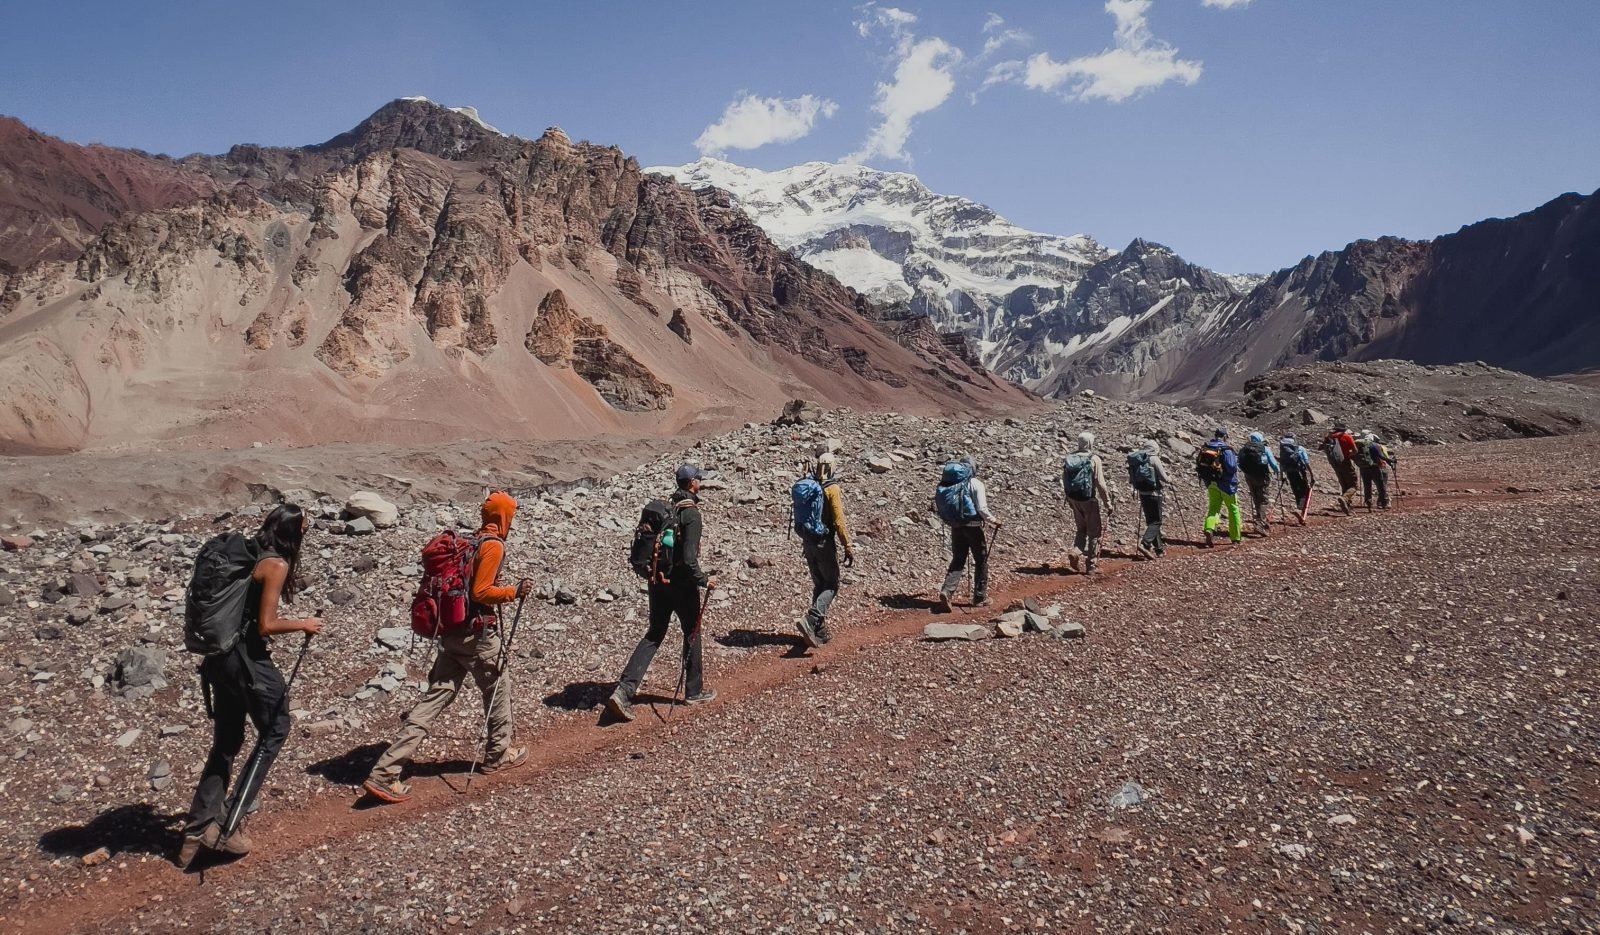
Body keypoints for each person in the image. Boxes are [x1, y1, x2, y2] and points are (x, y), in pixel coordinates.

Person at [363, 492, 531, 803]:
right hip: (477, 636)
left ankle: (384, 772)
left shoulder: (470, 542)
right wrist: (513, 591)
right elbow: (481, 592)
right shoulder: (492, 546)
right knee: (497, 688)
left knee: (436, 697)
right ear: (504, 517)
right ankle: (498, 753)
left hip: (451, 634)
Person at [179, 504, 322, 868]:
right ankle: (225, 826)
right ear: (294, 533)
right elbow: (266, 625)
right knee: (275, 729)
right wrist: (304, 623)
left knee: (227, 742)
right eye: (304, 528)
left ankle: (197, 826)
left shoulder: (246, 554)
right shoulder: (275, 564)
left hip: (217, 659)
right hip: (245, 660)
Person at [606, 464, 718, 721]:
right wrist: (704, 580)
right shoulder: (691, 515)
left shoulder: (667, 509)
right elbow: (689, 560)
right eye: (698, 478)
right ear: (692, 484)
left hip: (657, 581)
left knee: (655, 632)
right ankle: (693, 691)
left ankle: (624, 690)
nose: (701, 481)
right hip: (681, 585)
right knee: (691, 631)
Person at [794, 452, 855, 648]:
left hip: (807, 541)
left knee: (819, 583)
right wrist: (848, 545)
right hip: (824, 543)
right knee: (831, 584)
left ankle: (817, 629)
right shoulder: (832, 489)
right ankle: (812, 620)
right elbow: (838, 520)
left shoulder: (811, 485)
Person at [932, 454, 1000, 610]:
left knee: (958, 559)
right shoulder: (976, 484)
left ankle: (947, 591)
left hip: (956, 525)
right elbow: (982, 509)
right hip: (973, 527)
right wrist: (994, 521)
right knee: (981, 560)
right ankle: (979, 597)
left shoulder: (950, 482)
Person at [1061, 431, 1116, 573]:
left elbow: (1064, 479)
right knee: (1094, 532)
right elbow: (1101, 484)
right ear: (1091, 443)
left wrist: (1069, 499)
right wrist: (1108, 503)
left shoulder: (1070, 458)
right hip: (1089, 500)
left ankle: (1076, 550)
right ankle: (1091, 565)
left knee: (1081, 529)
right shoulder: (1094, 459)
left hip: (1073, 499)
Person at [1196, 427, 1242, 547]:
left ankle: (1209, 528)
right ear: (1225, 436)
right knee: (1233, 509)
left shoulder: (1207, 447)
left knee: (1213, 507)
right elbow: (1232, 468)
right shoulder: (1226, 449)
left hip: (1210, 483)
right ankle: (1236, 537)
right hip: (1226, 485)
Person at [1126, 439, 1169, 559]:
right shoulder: (1154, 458)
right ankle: (1145, 543)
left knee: (1151, 522)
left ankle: (1159, 550)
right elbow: (1164, 477)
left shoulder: (1137, 459)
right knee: (1157, 522)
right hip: (1154, 493)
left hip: (1142, 493)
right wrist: (1170, 479)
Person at [1237, 431, 1281, 536]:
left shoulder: (1244, 449)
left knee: (1256, 498)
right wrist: (1278, 472)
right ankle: (1259, 523)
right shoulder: (1264, 448)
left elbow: (1239, 462)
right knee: (1264, 500)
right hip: (1262, 476)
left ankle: (1260, 519)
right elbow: (1273, 463)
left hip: (1249, 476)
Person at [1278, 433, 1317, 525]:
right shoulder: (1300, 448)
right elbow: (1306, 462)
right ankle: (1301, 513)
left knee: (1296, 491)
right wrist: (1312, 475)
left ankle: (1300, 512)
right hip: (1300, 472)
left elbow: (1282, 463)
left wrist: (1282, 476)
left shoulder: (1283, 449)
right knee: (1304, 492)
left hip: (1289, 473)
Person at [1322, 423, 1360, 514]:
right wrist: (1349, 455)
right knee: (1353, 485)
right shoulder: (1346, 437)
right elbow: (1355, 450)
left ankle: (1347, 507)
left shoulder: (1329, 438)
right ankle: (1344, 498)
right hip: (1345, 462)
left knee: (1344, 484)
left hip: (1335, 464)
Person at [1355, 431, 1395, 510]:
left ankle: (1368, 502)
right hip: (1374, 467)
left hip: (1363, 468)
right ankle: (1383, 503)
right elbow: (1381, 456)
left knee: (1367, 486)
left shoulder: (1360, 446)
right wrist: (1391, 461)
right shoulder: (1374, 445)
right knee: (1380, 486)